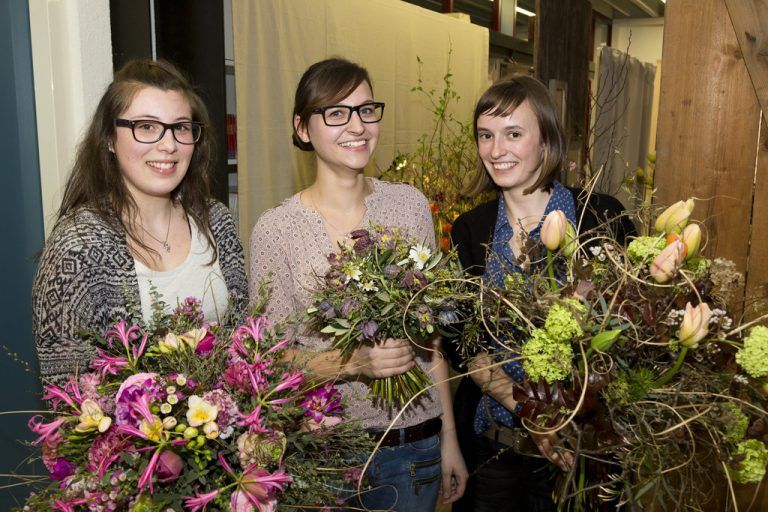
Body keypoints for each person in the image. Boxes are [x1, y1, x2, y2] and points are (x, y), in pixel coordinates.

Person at [249, 57, 467, 510]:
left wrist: (449, 437)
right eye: (336, 112)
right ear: (302, 128)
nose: (357, 125)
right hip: (328, 455)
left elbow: (430, 340)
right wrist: (354, 362)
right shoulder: (276, 229)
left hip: (414, 446)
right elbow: (270, 362)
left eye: (367, 110)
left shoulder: (409, 206)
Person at [448, 75, 636, 511]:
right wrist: (530, 412)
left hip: (584, 453)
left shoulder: (600, 217)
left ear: (546, 138)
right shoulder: (471, 230)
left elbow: (631, 335)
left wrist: (571, 416)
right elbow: (467, 345)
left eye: (514, 133)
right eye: (485, 136)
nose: (496, 151)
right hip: (496, 453)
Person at [33, 59, 248, 385]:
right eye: (146, 126)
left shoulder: (215, 220)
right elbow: (70, 399)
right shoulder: (77, 248)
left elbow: (247, 345)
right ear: (109, 139)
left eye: (180, 127)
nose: (169, 145)